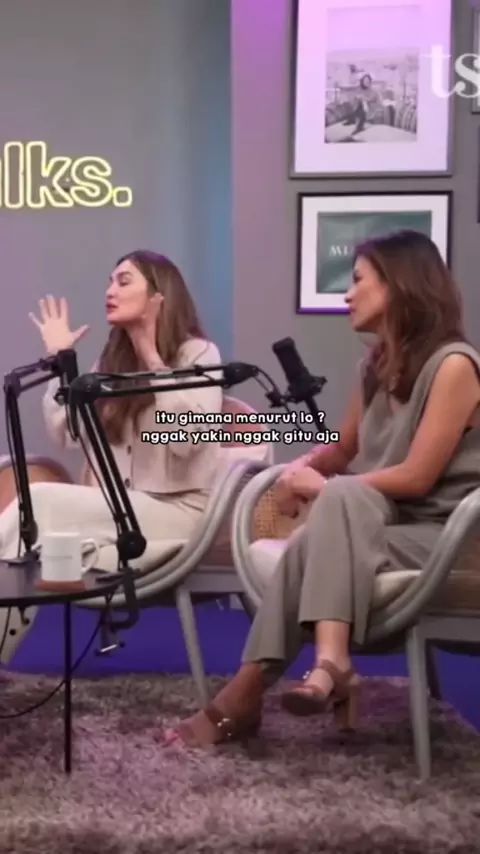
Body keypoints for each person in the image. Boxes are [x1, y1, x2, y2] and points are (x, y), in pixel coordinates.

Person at [162, 229, 480, 748]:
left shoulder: (454, 366)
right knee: (325, 521)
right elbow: (342, 450)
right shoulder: (374, 368)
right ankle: (321, 669)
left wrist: (327, 486)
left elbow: (417, 476)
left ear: (400, 285)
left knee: (340, 500)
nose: (347, 294)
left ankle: (259, 690)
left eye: (358, 281)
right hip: (386, 526)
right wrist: (300, 470)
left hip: (448, 538)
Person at [0, 250, 223, 663]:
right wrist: (61, 364)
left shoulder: (199, 354)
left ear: (158, 294)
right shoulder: (112, 361)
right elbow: (67, 431)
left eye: (123, 281)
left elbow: (188, 439)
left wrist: (153, 358)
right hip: (120, 510)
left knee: (40, 500)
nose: (109, 291)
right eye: (109, 281)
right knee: (29, 538)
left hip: (179, 512)